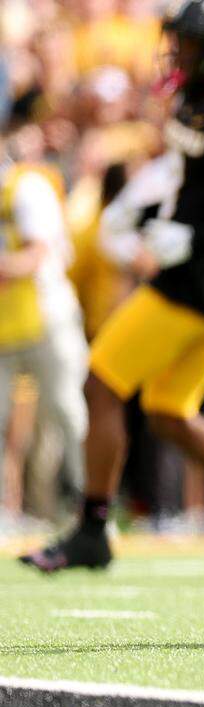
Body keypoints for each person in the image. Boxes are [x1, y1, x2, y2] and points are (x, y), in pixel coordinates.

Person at [20, 0, 204, 579]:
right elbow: (192, 181)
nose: (177, 52)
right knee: (168, 413)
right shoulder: (202, 101)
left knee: (100, 383)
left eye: (190, 43)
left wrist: (194, 239)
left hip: (199, 281)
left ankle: (93, 528)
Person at [0, 137, 88, 520]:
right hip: (7, 321)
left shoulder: (27, 186)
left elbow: (36, 255)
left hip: (47, 314)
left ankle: (91, 503)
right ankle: (17, 508)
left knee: (64, 409)